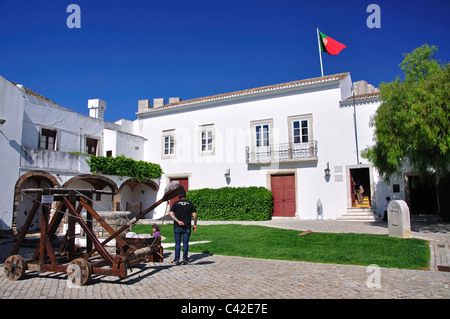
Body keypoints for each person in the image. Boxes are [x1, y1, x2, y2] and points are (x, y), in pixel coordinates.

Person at [169, 188, 197, 265]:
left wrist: (178, 221)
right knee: (185, 243)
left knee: (177, 243)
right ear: (185, 195)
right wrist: (195, 224)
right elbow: (194, 215)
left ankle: (176, 259)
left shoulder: (175, 203)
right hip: (187, 226)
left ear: (179, 196)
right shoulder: (190, 204)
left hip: (177, 226)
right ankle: (185, 259)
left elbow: (171, 214)